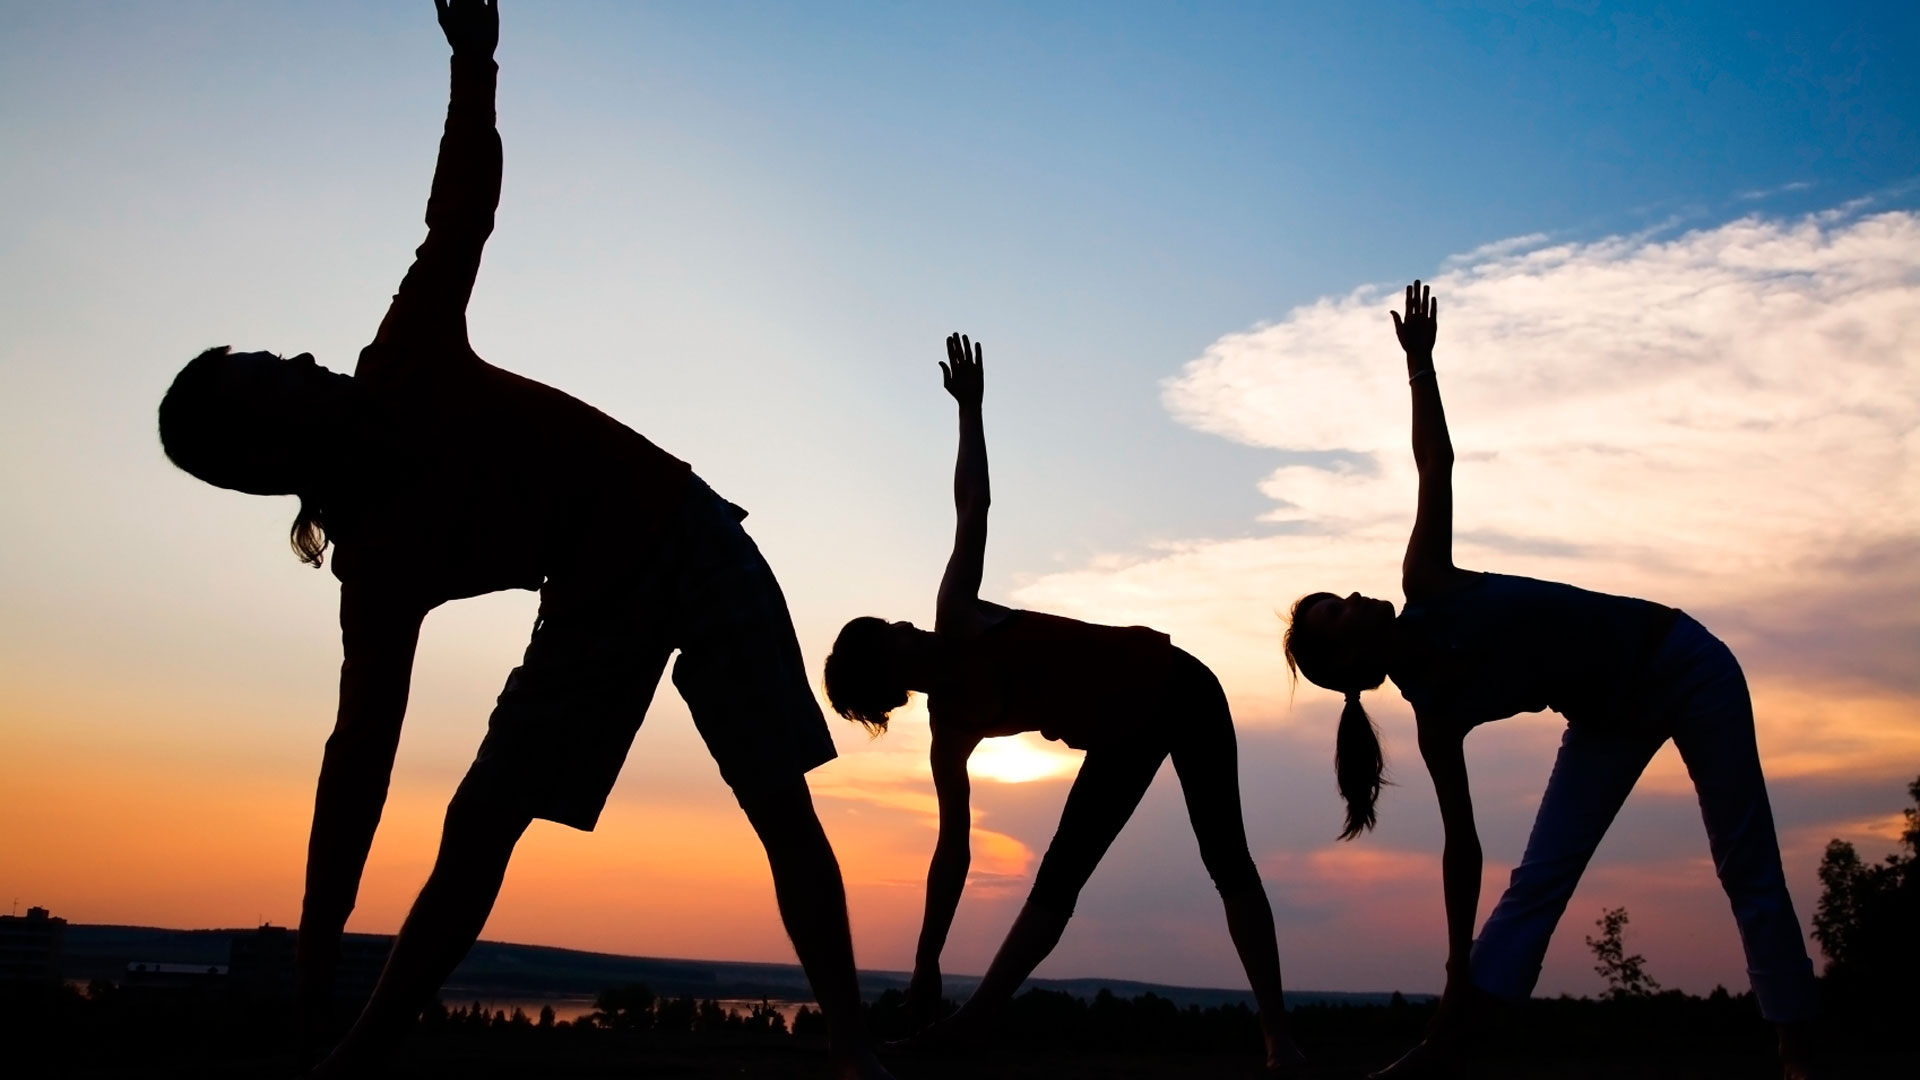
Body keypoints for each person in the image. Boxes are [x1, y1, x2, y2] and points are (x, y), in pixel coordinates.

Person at [154, 4, 890, 1077]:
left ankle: (855, 1049)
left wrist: (475, 61)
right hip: (591, 599)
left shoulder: (404, 357)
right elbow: (359, 757)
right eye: (277, 373)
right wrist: (316, 941)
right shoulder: (375, 561)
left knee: (777, 801)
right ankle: (358, 1058)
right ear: (263, 445)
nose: (305, 360)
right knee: (481, 823)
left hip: (683, 529)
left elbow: (460, 213)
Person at [1281, 281, 1820, 1078]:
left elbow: (1436, 462)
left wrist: (1420, 364)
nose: (1356, 595)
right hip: (1608, 719)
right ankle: (1450, 1045)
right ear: (1350, 663)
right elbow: (1462, 849)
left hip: (1682, 661)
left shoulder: (1426, 582)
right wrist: (1455, 971)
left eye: (1341, 595)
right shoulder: (1434, 710)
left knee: (1744, 859)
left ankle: (1796, 1043)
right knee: (1538, 884)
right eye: (1339, 612)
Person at [823, 334, 1308, 1075]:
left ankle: (1278, 1037)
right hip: (1121, 736)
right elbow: (952, 853)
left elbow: (973, 505)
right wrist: (926, 958)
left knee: (1226, 858)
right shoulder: (950, 719)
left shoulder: (958, 621)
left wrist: (970, 410)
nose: (902, 624)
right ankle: (973, 1025)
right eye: (888, 633)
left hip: (1176, 685)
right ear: (889, 669)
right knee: (1058, 880)